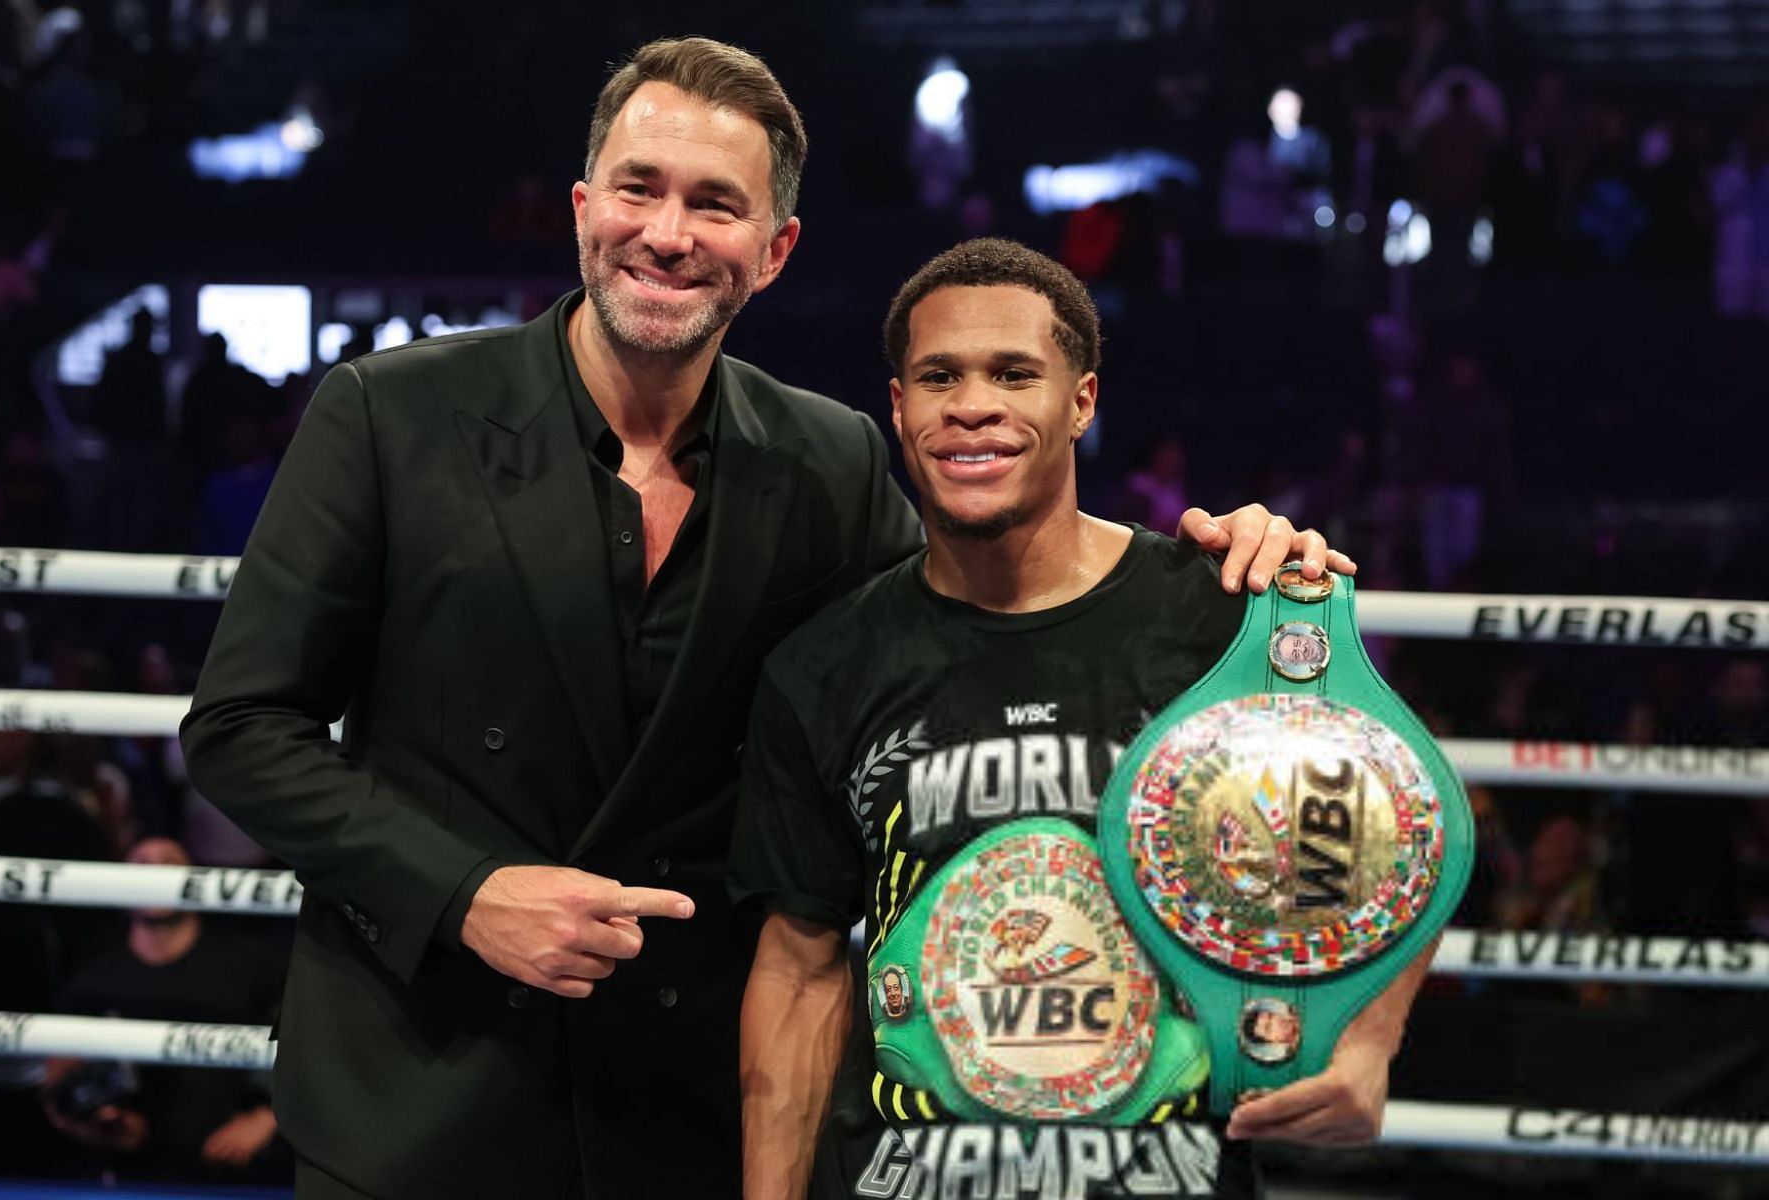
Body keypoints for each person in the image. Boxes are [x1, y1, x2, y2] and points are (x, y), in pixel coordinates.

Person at [181, 39, 1348, 1200]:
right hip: (420, 1095)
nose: (670, 233)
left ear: (774, 250)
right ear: (584, 207)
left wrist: (1219, 567)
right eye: (639, 188)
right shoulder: (392, 416)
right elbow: (241, 724)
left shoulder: (830, 457)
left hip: (689, 1111)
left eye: (716, 205)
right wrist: (462, 894)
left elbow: (976, 639)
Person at [732, 239, 1425, 1200]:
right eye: (940, 376)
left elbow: (1409, 822)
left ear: (1083, 403)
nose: (973, 403)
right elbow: (800, 973)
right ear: (899, 408)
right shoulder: (825, 665)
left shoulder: (1213, 614)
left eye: (1015, 373)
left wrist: (1368, 1042)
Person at [44, 838, 289, 1184]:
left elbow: (304, 1043)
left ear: (195, 878)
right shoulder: (93, 974)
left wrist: (266, 1118)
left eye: (169, 863)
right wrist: (95, 1124)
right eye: (143, 865)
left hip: (232, 1165)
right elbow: (57, 1081)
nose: (156, 874)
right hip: (126, 1169)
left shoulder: (251, 963)